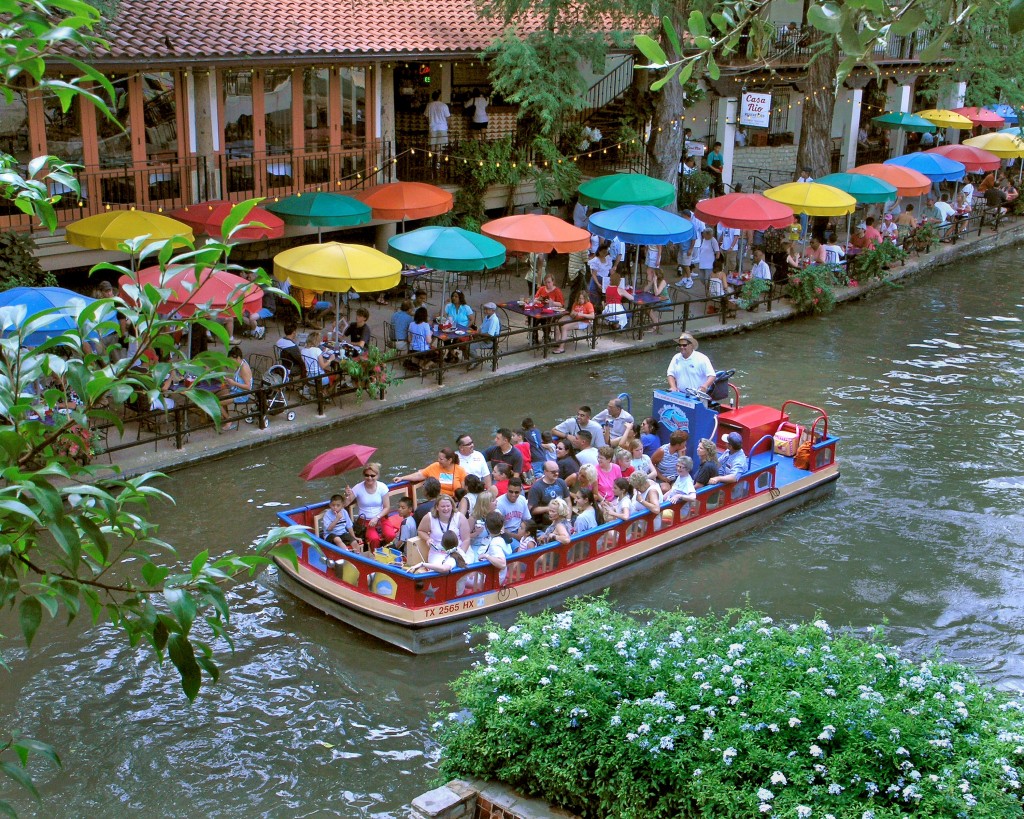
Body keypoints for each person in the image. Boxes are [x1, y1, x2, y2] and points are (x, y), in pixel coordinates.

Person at [349, 462, 393, 549]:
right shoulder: (357, 488)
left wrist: (377, 517)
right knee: (374, 539)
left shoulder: (382, 487)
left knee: (390, 535)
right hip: (365, 521)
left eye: (372, 476)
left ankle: (384, 549)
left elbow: (387, 507)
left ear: (377, 476)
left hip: (380, 518)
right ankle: (375, 556)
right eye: (366, 475)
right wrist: (347, 494)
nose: (369, 478)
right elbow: (346, 503)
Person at [400, 447, 467, 498]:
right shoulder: (435, 466)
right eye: (438, 458)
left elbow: (464, 490)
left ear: (449, 460)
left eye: (441, 459)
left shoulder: (460, 471)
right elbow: (420, 475)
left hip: (454, 501)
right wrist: (403, 478)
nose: (438, 460)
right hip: (437, 500)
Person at [219, 345, 253, 429]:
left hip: (241, 394)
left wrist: (234, 383)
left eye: (232, 361)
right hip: (236, 390)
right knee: (220, 394)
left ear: (237, 358)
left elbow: (248, 387)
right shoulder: (240, 364)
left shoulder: (244, 368)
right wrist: (229, 382)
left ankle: (228, 419)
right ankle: (225, 416)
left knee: (217, 403)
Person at [496, 478, 529, 544]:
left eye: (516, 492)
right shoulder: (499, 503)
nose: (513, 495)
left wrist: (526, 532)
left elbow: (527, 520)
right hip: (506, 533)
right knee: (519, 549)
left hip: (521, 530)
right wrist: (516, 536)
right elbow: (498, 530)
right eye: (511, 491)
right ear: (507, 489)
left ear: (520, 490)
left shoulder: (522, 499)